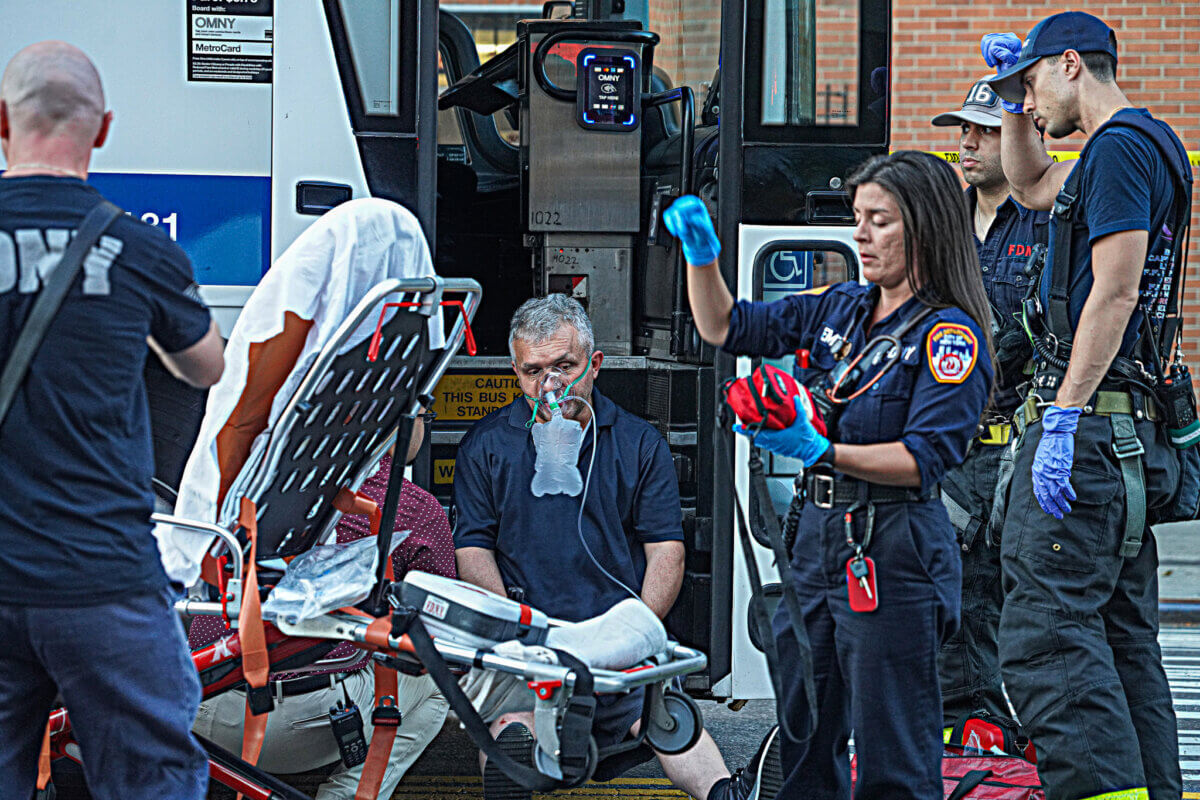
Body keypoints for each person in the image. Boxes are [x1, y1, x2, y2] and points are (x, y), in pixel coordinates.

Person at [666, 150, 995, 798]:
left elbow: (922, 459)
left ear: (925, 226)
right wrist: (701, 257)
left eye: (880, 220)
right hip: (817, 538)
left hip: (893, 544)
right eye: (858, 218)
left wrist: (819, 449)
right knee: (804, 734)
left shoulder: (950, 337)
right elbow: (725, 325)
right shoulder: (843, 306)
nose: (861, 235)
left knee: (891, 750)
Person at [0, 41, 224, 799]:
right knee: (151, 781)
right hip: (103, 583)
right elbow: (207, 368)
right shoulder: (140, 250)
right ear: (102, 131)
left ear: (2, 121)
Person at [453, 294, 781, 800]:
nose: (550, 385)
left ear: (595, 364)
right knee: (513, 722)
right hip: (531, 632)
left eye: (564, 365)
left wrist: (640, 631)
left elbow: (666, 548)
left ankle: (728, 794)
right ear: (516, 373)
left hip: (613, 631)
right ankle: (510, 774)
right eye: (533, 371)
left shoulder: (636, 442)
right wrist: (513, 628)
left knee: (664, 719)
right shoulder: (487, 445)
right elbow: (473, 548)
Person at [983, 13, 1190, 799]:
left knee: (1046, 643)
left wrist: (1065, 415)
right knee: (1120, 642)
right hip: (1126, 442)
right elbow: (1033, 185)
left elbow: (1117, 287)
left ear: (1072, 64)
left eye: (1033, 84)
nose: (1032, 105)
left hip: (1091, 432)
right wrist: (1008, 98)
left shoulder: (1116, 149)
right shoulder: (1148, 147)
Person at [190, 410, 454, 800]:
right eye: (425, 414)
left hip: (196, 702)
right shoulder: (415, 505)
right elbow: (437, 622)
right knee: (438, 679)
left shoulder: (237, 483)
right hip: (311, 725)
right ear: (404, 417)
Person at [929, 77, 1048, 730]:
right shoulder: (944, 221)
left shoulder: (1048, 223)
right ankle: (964, 741)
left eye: (984, 130)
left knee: (1013, 607)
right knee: (950, 596)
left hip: (1017, 452)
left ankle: (1009, 739)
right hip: (948, 448)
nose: (967, 142)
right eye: (963, 130)